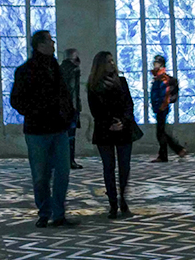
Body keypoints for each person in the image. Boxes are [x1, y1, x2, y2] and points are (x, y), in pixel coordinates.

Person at [8, 30, 77, 227]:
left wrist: (68, 114)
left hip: (59, 128)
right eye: (50, 40)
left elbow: (64, 94)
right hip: (37, 131)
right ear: (41, 45)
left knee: (63, 173)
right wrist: (37, 111)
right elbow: (16, 100)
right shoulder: (26, 70)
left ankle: (59, 213)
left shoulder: (55, 67)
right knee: (41, 175)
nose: (54, 43)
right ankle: (44, 212)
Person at [86, 51, 137, 218]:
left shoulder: (121, 82)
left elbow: (129, 104)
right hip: (104, 130)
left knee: (124, 167)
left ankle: (123, 199)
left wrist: (122, 121)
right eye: (108, 61)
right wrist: (110, 124)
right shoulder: (93, 85)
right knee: (108, 167)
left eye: (113, 60)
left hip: (123, 128)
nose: (112, 64)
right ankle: (112, 203)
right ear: (101, 65)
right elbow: (95, 110)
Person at [148, 54, 187, 162]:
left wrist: (162, 105)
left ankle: (168, 153)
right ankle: (176, 150)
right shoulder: (158, 77)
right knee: (162, 131)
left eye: (156, 63)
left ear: (161, 65)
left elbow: (165, 94)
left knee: (160, 132)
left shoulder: (163, 78)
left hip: (162, 107)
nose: (154, 65)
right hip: (159, 107)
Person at [61, 48, 83, 169]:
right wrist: (75, 108)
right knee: (70, 136)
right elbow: (73, 91)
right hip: (70, 109)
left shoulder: (61, 68)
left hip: (65, 108)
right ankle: (69, 161)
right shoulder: (73, 70)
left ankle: (66, 160)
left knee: (66, 136)